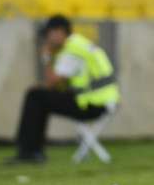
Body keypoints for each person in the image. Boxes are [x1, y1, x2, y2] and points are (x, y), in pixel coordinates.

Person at [8, 14, 120, 163]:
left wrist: (47, 56)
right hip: (102, 101)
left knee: (35, 96)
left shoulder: (71, 50)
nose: (47, 40)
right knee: (39, 96)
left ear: (59, 31)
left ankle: (29, 151)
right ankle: (32, 150)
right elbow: (63, 83)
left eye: (48, 35)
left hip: (92, 103)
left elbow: (52, 82)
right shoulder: (79, 44)